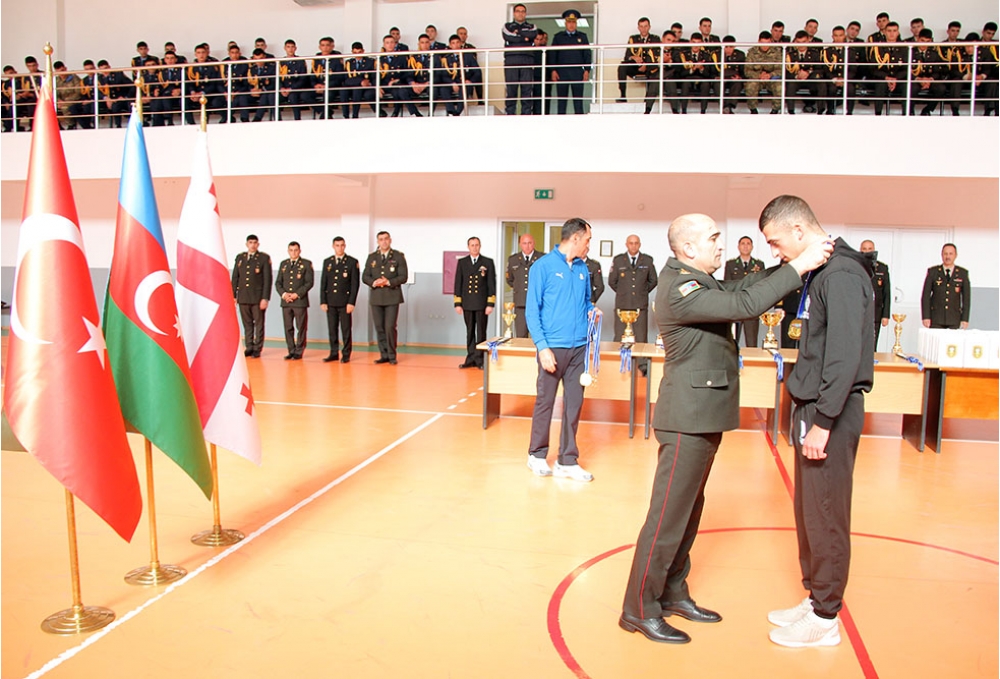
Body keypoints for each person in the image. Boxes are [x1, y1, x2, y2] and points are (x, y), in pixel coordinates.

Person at [620, 211, 832, 645]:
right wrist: (799, 265)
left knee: (688, 513)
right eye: (714, 238)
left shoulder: (700, 281)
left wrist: (787, 263)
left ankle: (673, 591)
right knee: (666, 518)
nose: (722, 244)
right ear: (689, 248)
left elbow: (740, 288)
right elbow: (744, 305)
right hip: (686, 419)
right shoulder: (680, 287)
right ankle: (639, 608)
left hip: (702, 414)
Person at [760, 195, 873, 648]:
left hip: (831, 411)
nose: (775, 251)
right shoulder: (819, 270)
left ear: (799, 231)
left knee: (826, 513)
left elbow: (843, 356)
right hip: (814, 406)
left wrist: (823, 421)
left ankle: (826, 618)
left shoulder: (842, 273)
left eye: (776, 242)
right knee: (809, 511)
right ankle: (815, 596)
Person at [525, 218, 600, 483]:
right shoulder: (542, 267)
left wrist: (592, 311)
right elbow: (532, 311)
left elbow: (585, 302)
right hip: (552, 347)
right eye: (588, 240)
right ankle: (536, 454)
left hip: (579, 348)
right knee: (545, 401)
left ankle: (567, 460)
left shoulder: (582, 268)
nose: (589, 245)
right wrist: (542, 348)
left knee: (574, 404)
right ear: (575, 238)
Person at [362, 231, 408, 364]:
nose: (384, 241)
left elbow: (403, 276)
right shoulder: (372, 257)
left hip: (392, 296)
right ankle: (384, 354)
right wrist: (373, 282)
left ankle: (392, 355)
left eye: (386, 239)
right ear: (378, 242)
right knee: (379, 327)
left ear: (390, 240)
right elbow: (365, 276)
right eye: (381, 239)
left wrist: (388, 282)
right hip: (376, 297)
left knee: (390, 327)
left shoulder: (398, 256)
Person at [454, 237, 496, 369]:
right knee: (470, 331)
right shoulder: (462, 262)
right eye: (472, 245)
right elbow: (458, 283)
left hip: (481, 303)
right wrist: (458, 303)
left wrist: (490, 304)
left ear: (480, 246)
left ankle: (480, 359)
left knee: (481, 332)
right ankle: (470, 358)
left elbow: (491, 284)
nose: (474, 247)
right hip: (467, 303)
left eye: (476, 245)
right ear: (468, 247)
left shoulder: (487, 262)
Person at [608, 234, 657, 343]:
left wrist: (642, 291)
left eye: (636, 243)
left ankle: (640, 356)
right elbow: (612, 281)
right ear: (626, 245)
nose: (633, 246)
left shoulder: (647, 260)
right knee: (620, 337)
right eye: (631, 243)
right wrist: (624, 292)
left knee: (641, 338)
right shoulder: (618, 260)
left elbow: (653, 280)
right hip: (623, 305)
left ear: (640, 245)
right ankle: (619, 355)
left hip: (640, 306)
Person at [320, 237, 360, 363]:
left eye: (342, 245)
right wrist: (323, 301)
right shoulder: (328, 262)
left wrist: (351, 302)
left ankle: (346, 353)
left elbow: (355, 285)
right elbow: (323, 283)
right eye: (337, 245)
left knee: (346, 329)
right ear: (333, 246)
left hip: (345, 302)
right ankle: (333, 353)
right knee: (332, 329)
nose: (340, 248)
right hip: (331, 301)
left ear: (345, 246)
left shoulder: (352, 262)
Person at [232, 235, 272, 358]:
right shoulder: (240, 258)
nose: (253, 245)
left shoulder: (263, 258)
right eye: (250, 242)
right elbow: (235, 277)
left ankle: (257, 348)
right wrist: (233, 295)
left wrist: (265, 298)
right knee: (247, 324)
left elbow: (267, 280)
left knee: (259, 324)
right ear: (247, 244)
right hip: (243, 297)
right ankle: (249, 346)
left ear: (258, 244)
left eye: (255, 243)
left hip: (257, 298)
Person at [723, 236, 765, 347]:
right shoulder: (731, 264)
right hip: (736, 306)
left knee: (751, 341)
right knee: (732, 341)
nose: (745, 246)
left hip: (752, 306)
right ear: (738, 247)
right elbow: (728, 286)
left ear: (752, 247)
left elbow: (762, 286)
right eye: (743, 243)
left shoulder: (759, 265)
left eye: (748, 243)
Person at [275, 241, 314, 360]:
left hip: (299, 302)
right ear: (288, 251)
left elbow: (309, 283)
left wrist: (297, 294)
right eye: (291, 250)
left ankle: (299, 351)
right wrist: (284, 294)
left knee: (301, 327)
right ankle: (291, 350)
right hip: (286, 302)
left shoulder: (306, 264)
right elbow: (278, 283)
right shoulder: (284, 264)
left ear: (299, 251)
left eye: (296, 250)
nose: (293, 252)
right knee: (288, 327)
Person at [550, 9, 592, 115]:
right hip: (562, 72)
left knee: (578, 101)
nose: (571, 24)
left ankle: (579, 121)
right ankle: (561, 121)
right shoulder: (558, 37)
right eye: (569, 22)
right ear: (565, 23)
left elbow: (587, 54)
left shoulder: (582, 37)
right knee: (562, 101)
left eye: (573, 22)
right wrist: (553, 70)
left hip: (577, 71)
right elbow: (553, 54)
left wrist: (587, 70)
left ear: (576, 23)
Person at [921, 243, 970, 329]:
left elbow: (966, 299)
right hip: (936, 318)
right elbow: (925, 296)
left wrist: (965, 319)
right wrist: (926, 316)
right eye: (945, 254)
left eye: (951, 254)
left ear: (955, 255)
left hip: (954, 318)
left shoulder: (962, 273)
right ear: (942, 255)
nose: (948, 257)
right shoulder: (933, 272)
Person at [502, 3, 538, 115]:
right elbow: (508, 36)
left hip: (527, 59)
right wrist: (524, 37)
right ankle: (510, 114)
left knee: (527, 89)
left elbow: (533, 34)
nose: (520, 13)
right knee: (511, 89)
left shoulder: (532, 26)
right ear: (514, 13)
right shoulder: (507, 26)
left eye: (523, 11)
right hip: (511, 59)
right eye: (518, 11)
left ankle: (526, 114)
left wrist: (518, 33)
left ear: (525, 14)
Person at [505, 234, 542, 337]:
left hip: (537, 303)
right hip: (520, 303)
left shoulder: (542, 258)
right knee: (521, 335)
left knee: (538, 335)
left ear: (534, 243)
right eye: (524, 243)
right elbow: (510, 279)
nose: (527, 246)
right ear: (520, 244)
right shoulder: (513, 259)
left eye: (530, 243)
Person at [617, 17, 660, 103]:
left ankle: (648, 100)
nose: (643, 29)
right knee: (622, 67)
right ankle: (623, 96)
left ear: (649, 27)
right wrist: (633, 57)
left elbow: (656, 56)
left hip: (649, 68)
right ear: (638, 28)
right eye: (641, 26)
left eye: (646, 26)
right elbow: (627, 56)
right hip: (636, 67)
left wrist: (646, 65)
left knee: (655, 71)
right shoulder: (633, 39)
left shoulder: (655, 39)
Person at [744, 32, 783, 114]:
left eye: (767, 43)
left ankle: (775, 111)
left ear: (771, 42)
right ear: (759, 41)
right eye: (762, 43)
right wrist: (759, 75)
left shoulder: (777, 52)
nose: (765, 46)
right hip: (757, 78)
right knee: (750, 85)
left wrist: (770, 75)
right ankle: (753, 110)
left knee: (780, 86)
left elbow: (780, 70)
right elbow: (747, 70)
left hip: (771, 78)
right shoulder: (752, 52)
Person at [341, 42, 376, 118]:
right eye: (355, 53)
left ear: (363, 51)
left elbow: (373, 76)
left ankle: (355, 115)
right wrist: (360, 81)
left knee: (357, 90)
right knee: (343, 91)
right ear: (352, 52)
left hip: (365, 87)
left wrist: (368, 83)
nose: (357, 55)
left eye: (359, 52)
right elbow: (346, 79)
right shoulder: (349, 63)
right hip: (352, 86)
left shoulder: (370, 62)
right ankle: (345, 116)